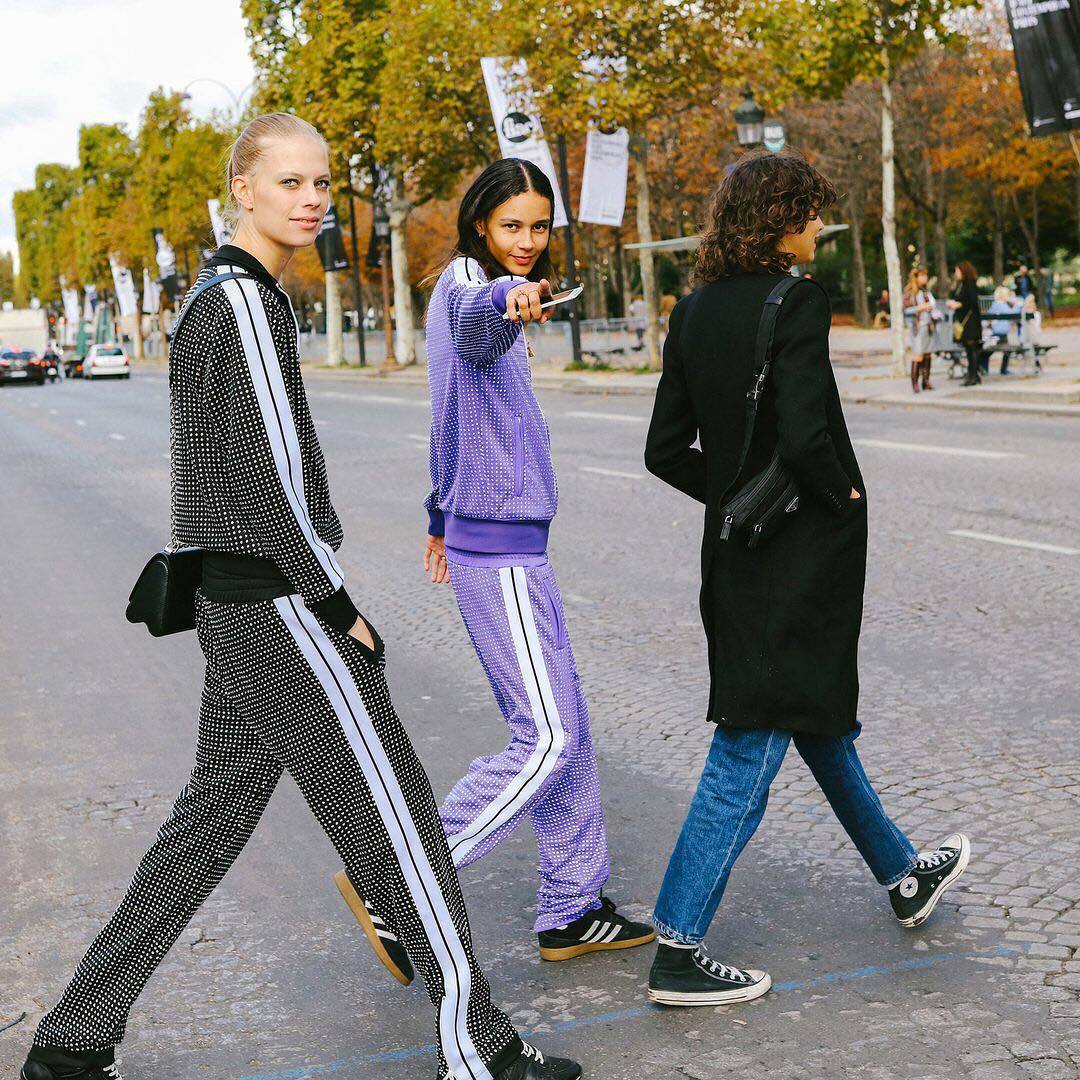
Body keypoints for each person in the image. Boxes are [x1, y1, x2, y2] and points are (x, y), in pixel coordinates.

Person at [20, 114, 579, 1080]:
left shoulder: (220, 296)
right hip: (280, 606)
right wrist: (333, 604)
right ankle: (477, 1047)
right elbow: (273, 479)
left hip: (238, 607)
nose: (313, 198)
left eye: (322, 182)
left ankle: (72, 1041)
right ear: (243, 189)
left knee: (208, 825)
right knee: (400, 818)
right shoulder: (241, 305)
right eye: (290, 182)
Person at [642, 150, 970, 1009]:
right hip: (800, 557)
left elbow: (663, 450)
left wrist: (734, 498)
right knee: (751, 736)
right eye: (810, 211)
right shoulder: (797, 300)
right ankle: (677, 944)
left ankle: (903, 875)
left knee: (810, 712)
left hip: (734, 555)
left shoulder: (693, 307)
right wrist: (842, 495)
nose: (817, 225)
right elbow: (806, 431)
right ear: (780, 217)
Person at [334, 158, 654, 978]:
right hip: (503, 552)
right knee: (545, 737)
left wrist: (438, 514)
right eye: (513, 224)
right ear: (481, 224)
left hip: (507, 543)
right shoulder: (471, 290)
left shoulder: (466, 288)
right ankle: (397, 884)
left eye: (540, 226)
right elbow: (481, 321)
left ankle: (573, 908)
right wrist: (509, 303)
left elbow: (452, 412)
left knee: (568, 732)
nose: (528, 241)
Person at [902, 267, 939, 393]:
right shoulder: (909, 291)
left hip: (928, 326)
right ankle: (915, 384)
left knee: (928, 354)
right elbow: (906, 310)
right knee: (917, 355)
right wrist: (921, 307)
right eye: (922, 276)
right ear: (916, 277)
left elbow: (932, 306)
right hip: (917, 328)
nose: (925, 278)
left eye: (926, 276)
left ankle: (926, 382)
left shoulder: (925, 291)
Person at [948, 261, 983, 386]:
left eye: (957, 271)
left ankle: (973, 375)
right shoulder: (962, 284)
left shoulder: (969, 284)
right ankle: (973, 374)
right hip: (966, 321)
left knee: (971, 348)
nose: (956, 273)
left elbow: (972, 301)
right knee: (969, 349)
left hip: (970, 322)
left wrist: (959, 304)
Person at [988, 285, 1021, 375]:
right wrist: (1016, 304)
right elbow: (1012, 314)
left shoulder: (996, 304)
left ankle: (1001, 368)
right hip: (1000, 332)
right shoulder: (1000, 304)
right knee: (1005, 349)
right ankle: (1003, 369)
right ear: (1002, 295)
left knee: (1004, 349)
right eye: (1007, 294)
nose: (1009, 296)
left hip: (998, 332)